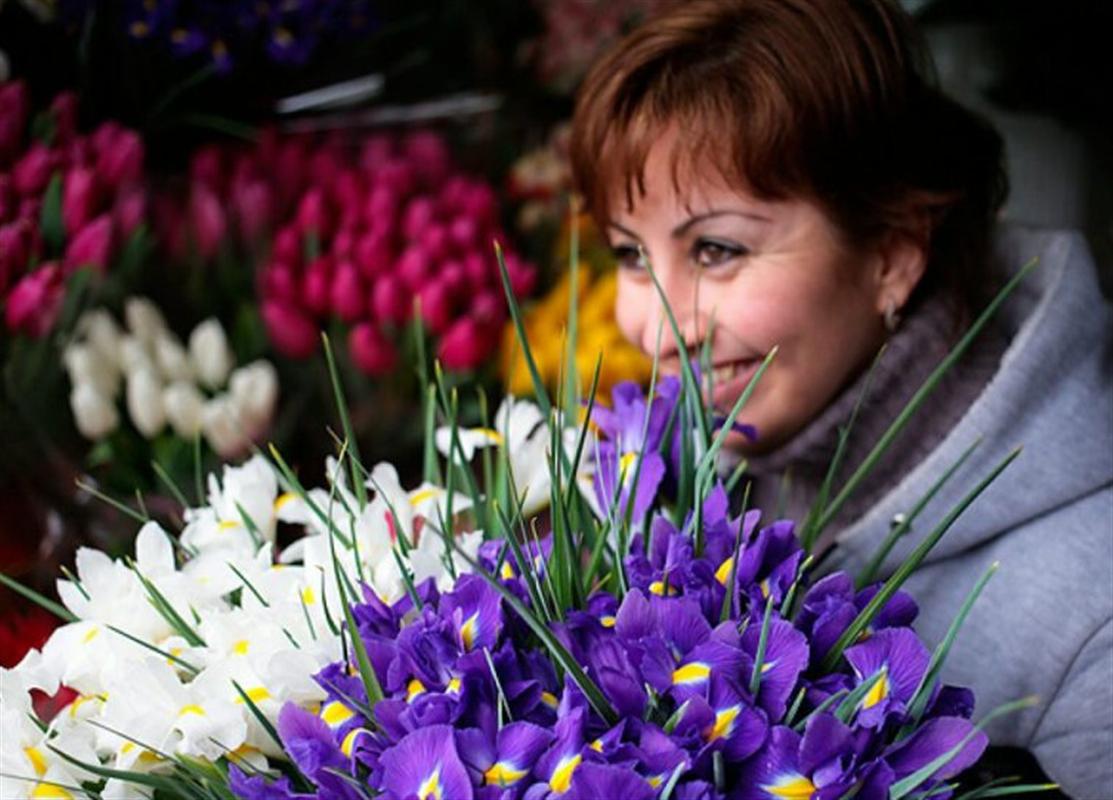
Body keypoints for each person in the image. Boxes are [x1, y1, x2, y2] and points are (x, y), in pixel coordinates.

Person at [568, 1, 1113, 796]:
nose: (651, 329)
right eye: (627, 252)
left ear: (891, 254)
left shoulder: (1093, 604)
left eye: (716, 249)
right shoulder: (690, 478)